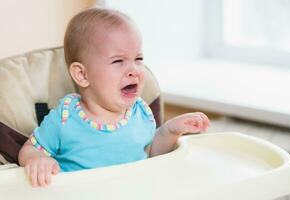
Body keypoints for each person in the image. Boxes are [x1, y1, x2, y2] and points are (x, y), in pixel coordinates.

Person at [18, 8, 210, 187]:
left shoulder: (140, 112)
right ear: (82, 75)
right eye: (118, 61)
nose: (133, 70)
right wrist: (36, 159)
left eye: (138, 59)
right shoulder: (65, 118)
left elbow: (152, 153)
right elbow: (30, 148)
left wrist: (170, 130)